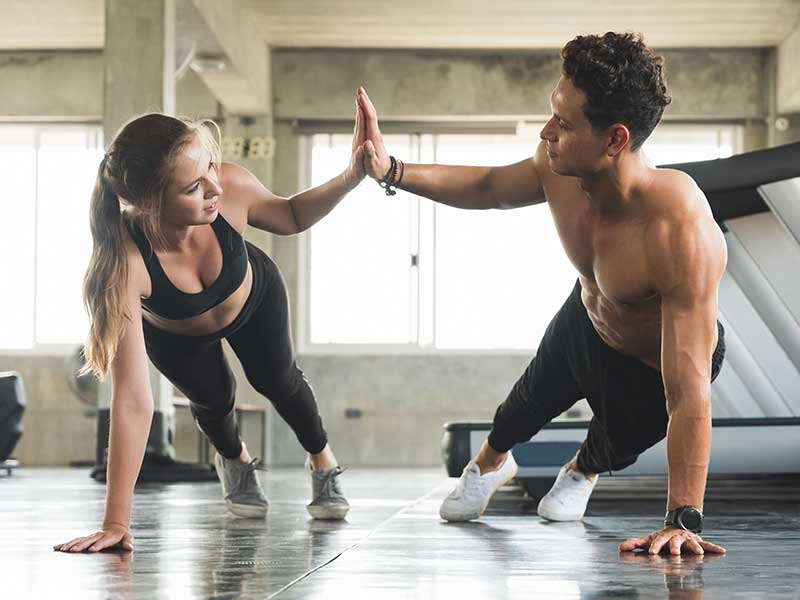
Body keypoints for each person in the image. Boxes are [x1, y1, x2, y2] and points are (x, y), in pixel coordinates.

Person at [358, 32, 727, 556]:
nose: (547, 130)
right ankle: (489, 463)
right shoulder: (557, 168)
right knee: (522, 406)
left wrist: (682, 519)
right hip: (589, 318)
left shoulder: (677, 228)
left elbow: (688, 393)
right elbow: (487, 186)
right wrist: (390, 170)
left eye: (565, 122)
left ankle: (581, 472)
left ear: (615, 140)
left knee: (614, 446)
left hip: (652, 362)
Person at [54, 104, 367, 553]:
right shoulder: (123, 263)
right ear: (149, 202)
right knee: (213, 400)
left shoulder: (232, 187)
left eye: (210, 169)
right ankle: (235, 460)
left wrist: (350, 176)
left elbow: (292, 216)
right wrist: (115, 522)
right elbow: (132, 400)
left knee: (278, 381)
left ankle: (323, 462)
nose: (215, 187)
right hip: (176, 332)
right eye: (193, 187)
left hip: (253, 298)